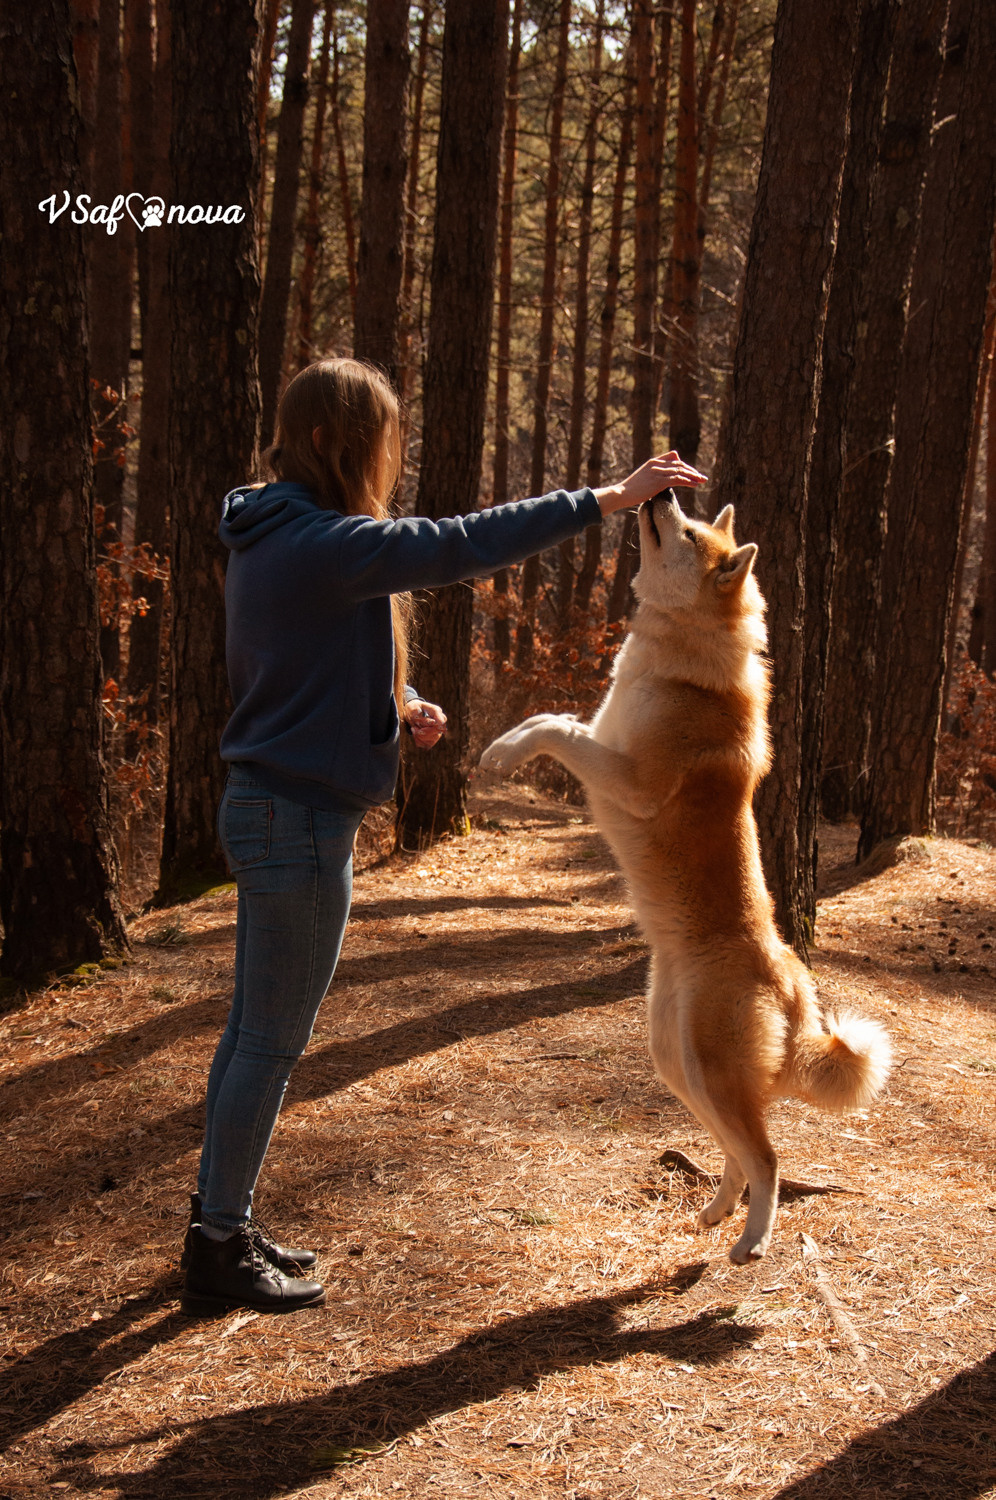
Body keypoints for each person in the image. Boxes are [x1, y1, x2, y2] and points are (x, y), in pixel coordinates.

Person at [180, 356, 707, 1316]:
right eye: (384, 438)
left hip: (283, 805)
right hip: (293, 819)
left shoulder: (278, 533)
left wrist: (397, 704)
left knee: (254, 1034)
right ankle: (217, 1242)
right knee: (269, 1038)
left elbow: (293, 665)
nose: (393, 456)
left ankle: (221, 1216)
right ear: (338, 441)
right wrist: (607, 498)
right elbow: (462, 542)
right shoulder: (324, 541)